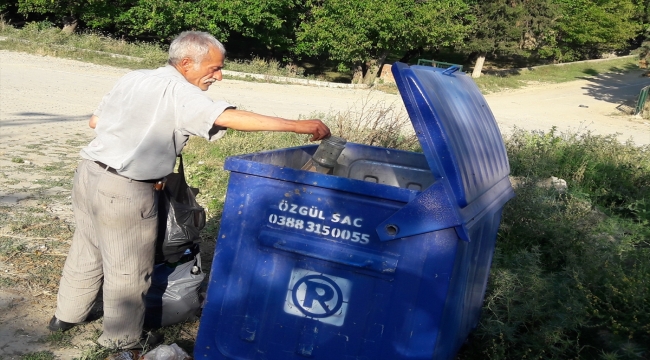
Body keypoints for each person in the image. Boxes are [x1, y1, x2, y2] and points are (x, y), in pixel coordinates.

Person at [48, 31, 331, 349]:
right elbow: (226, 117)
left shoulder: (135, 78)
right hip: (125, 188)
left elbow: (95, 121)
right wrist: (298, 125)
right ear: (186, 63)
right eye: (214, 68)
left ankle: (66, 317)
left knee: (87, 247)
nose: (219, 76)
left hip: (89, 173)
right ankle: (121, 341)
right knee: (128, 269)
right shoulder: (180, 92)